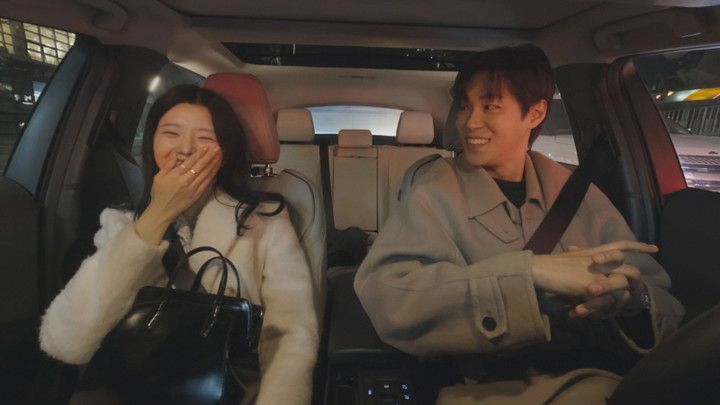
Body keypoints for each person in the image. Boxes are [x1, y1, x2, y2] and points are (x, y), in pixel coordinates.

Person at [354, 45, 685, 404]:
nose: (469, 122)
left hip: (602, 380)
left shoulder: (577, 193)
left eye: (490, 106)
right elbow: (390, 297)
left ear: (535, 112)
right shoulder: (432, 193)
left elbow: (664, 306)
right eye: (464, 106)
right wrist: (528, 272)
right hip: (488, 389)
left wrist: (631, 300)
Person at [39, 85, 319, 405]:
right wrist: (158, 214)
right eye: (171, 133)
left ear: (226, 151)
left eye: (205, 138)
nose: (185, 149)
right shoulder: (123, 225)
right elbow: (68, 341)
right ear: (152, 142)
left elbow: (289, 333)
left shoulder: (265, 221)